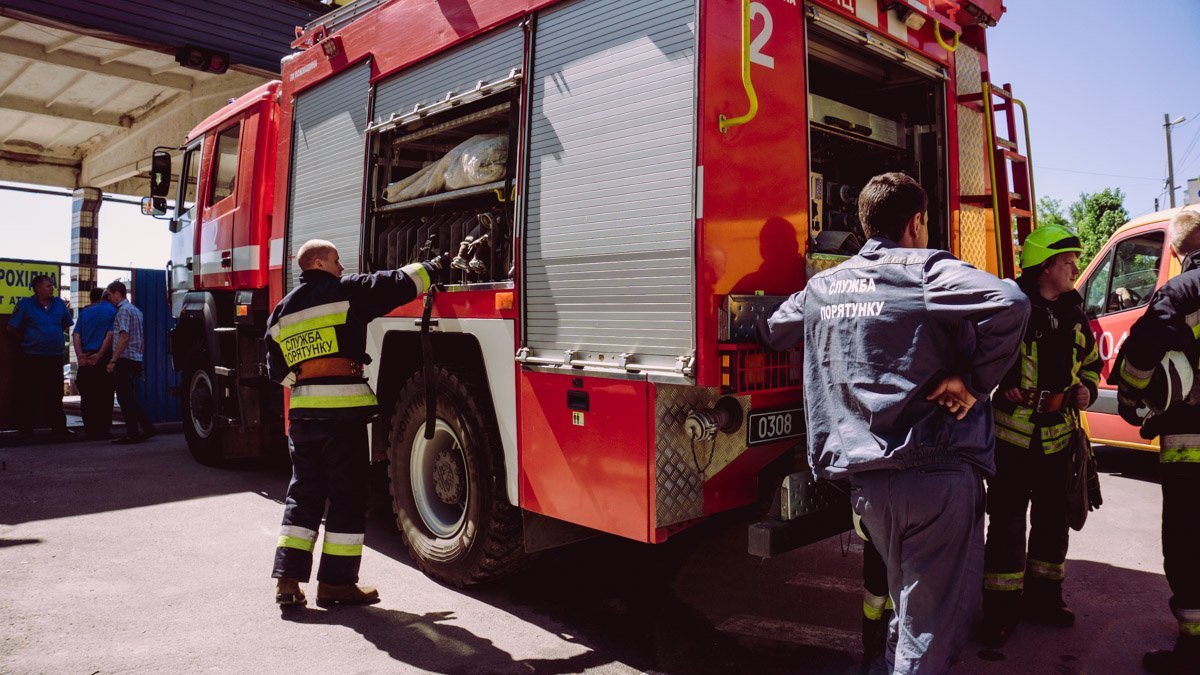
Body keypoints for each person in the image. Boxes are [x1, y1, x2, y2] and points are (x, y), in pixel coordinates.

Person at [759, 172, 1030, 672]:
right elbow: (1011, 302)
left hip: (869, 488)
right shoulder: (925, 270)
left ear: (864, 225)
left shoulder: (824, 286)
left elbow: (774, 327)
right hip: (937, 478)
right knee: (929, 633)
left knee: (907, 612)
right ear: (916, 222)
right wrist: (972, 383)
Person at [265, 239, 443, 609]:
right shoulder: (344, 293)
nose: (342, 266)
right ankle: (335, 585)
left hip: (302, 417)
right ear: (317, 262)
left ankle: (287, 581)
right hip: (342, 417)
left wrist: (309, 381)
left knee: (303, 495)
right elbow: (393, 283)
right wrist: (434, 267)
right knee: (348, 497)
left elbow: (276, 371)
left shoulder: (281, 311)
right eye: (335, 259)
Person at [980, 225, 1101, 646]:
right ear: (1044, 265)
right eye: (1067, 261)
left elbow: (1091, 361)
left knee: (1053, 524)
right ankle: (999, 610)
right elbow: (981, 357)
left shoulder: (1075, 313)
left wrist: (1087, 388)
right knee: (1008, 525)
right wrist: (1003, 381)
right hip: (1012, 439)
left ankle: (1045, 600)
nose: (1074, 268)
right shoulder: (1011, 307)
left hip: (1059, 438)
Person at [1113, 209, 1200, 674]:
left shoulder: (1182, 290)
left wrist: (1131, 399)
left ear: (1177, 251)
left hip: (1191, 447)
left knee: (1188, 544)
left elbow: (1140, 353)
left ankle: (1192, 650)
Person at [6, 274, 73, 436]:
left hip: (53, 357)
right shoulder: (25, 305)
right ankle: (25, 430)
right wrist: (30, 340)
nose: (53, 289)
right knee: (28, 394)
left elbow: (65, 324)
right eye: (49, 286)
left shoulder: (59, 304)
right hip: (32, 357)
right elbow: (11, 328)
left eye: (52, 285)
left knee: (56, 394)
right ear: (37, 289)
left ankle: (59, 430)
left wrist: (51, 336)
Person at [105, 280, 156, 444]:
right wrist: (139, 357)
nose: (109, 298)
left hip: (124, 359)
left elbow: (124, 336)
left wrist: (113, 360)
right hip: (134, 358)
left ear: (117, 294)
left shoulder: (123, 312)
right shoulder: (136, 310)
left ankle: (132, 433)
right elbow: (141, 338)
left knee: (124, 398)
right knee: (129, 397)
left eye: (110, 294)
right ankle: (147, 428)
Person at [72, 287, 117, 439]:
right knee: (104, 396)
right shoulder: (112, 310)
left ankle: (90, 430)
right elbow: (110, 335)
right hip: (103, 357)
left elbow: (76, 335)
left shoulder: (85, 312)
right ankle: (103, 430)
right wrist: (99, 355)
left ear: (91, 299)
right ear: (106, 297)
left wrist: (80, 356)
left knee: (87, 398)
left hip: (85, 357)